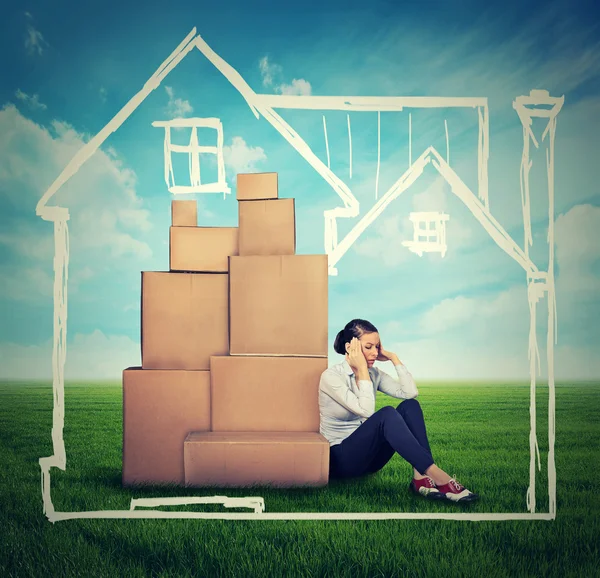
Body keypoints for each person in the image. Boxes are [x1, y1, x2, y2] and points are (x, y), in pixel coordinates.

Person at [319, 318, 478, 502]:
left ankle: (420, 479)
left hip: (370, 460)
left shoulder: (374, 374)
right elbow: (367, 410)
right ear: (350, 348)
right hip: (341, 459)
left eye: (377, 347)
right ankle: (440, 477)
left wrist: (394, 359)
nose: (374, 353)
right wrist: (362, 370)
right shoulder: (331, 377)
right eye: (368, 347)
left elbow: (410, 393)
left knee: (410, 406)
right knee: (386, 414)